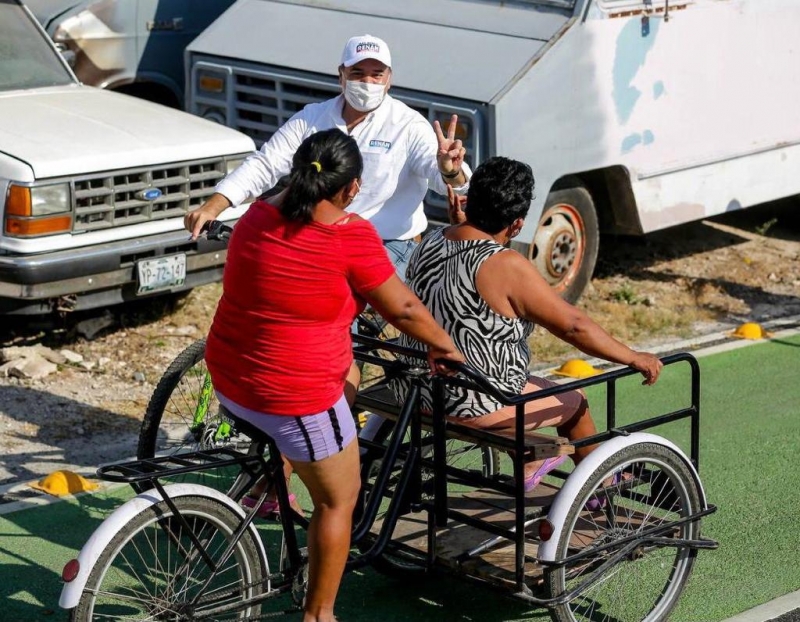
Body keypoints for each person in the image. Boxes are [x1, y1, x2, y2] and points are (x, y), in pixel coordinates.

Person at [204, 128, 462, 622]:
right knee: (340, 499)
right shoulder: (349, 236)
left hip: (231, 376)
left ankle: (269, 482)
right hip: (290, 396)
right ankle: (320, 615)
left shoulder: (255, 216)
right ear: (350, 189)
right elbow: (405, 308)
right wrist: (444, 345)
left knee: (345, 377)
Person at [392, 156, 663, 491]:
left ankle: (532, 456)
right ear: (517, 225)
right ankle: (598, 485)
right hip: (472, 401)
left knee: (521, 385)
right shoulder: (505, 265)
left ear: (470, 200)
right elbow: (573, 326)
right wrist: (633, 356)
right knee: (575, 400)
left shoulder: (430, 241)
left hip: (415, 393)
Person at [185, 33, 470, 280]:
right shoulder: (312, 118)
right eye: (358, 73)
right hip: (318, 237)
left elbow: (447, 179)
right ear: (341, 75)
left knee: (333, 299)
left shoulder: (408, 125)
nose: (367, 81)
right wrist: (213, 207)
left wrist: (449, 169)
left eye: (376, 74)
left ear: (389, 79)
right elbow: (265, 164)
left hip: (388, 243)